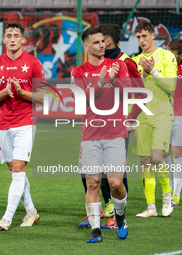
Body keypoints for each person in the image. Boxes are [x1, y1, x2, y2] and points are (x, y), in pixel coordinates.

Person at [71, 27, 130, 242]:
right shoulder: (78, 72)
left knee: (116, 184)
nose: (102, 45)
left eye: (103, 41)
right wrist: (101, 82)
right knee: (93, 183)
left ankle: (121, 217)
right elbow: (80, 101)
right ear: (86, 46)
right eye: (96, 43)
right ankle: (96, 231)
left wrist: (114, 80)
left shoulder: (118, 65)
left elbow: (127, 94)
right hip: (90, 135)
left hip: (115, 132)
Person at [0, 23, 45, 231]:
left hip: (25, 122)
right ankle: (31, 211)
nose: (12, 39)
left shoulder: (33, 63)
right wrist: (5, 92)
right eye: (8, 35)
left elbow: (43, 96)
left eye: (16, 35)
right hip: (3, 123)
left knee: (19, 168)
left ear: (23, 40)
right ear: (3, 40)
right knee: (14, 170)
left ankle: (7, 218)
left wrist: (22, 93)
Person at [132, 21, 177, 218]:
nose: (141, 41)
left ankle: (167, 197)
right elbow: (133, 91)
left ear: (152, 35)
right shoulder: (135, 61)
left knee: (157, 157)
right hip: (143, 115)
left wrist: (153, 72)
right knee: (145, 161)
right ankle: (151, 207)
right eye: (138, 37)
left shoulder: (167, 56)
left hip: (163, 114)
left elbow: (171, 87)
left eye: (144, 36)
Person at [165, 38, 182, 205]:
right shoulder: (164, 66)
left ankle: (176, 192)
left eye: (174, 55)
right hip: (164, 115)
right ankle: (169, 186)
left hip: (180, 116)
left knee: (177, 154)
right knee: (163, 154)